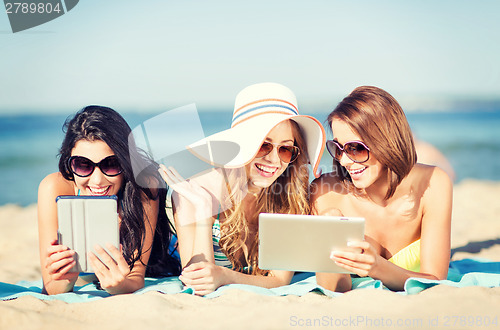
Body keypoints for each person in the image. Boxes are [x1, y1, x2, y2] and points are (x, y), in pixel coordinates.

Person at [159, 82, 326, 296]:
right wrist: (203, 210)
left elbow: (279, 280)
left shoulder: (290, 196)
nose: (274, 160)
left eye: (285, 149)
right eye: (264, 145)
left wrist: (225, 276)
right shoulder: (198, 189)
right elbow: (198, 282)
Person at [311, 86, 452, 292]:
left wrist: (377, 267)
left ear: (386, 141)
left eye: (356, 148)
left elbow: (436, 280)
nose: (345, 161)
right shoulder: (326, 194)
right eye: (338, 149)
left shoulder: (433, 183)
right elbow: (333, 290)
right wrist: (329, 237)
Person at [37, 105, 181, 295]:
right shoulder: (53, 188)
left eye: (111, 164)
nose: (97, 180)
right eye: (83, 165)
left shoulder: (144, 185)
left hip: (159, 255)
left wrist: (119, 286)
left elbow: (136, 278)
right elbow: (51, 287)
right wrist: (63, 281)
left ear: (126, 161)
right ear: (69, 161)